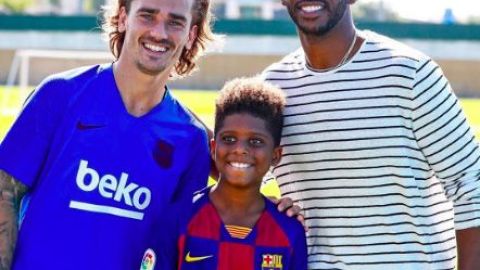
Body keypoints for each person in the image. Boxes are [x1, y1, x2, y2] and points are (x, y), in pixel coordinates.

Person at [262, 0, 480, 269]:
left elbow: (471, 186)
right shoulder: (273, 88)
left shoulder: (409, 73)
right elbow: (239, 174)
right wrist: (265, 209)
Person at [0, 0, 217, 269]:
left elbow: (177, 247)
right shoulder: (60, 94)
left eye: (175, 22)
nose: (159, 33)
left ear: (191, 35)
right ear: (124, 18)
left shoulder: (190, 140)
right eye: (147, 16)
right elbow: (4, 194)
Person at [175, 77, 307, 270]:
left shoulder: (289, 230)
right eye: (229, 138)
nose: (240, 149)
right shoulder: (180, 217)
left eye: (255, 141)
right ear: (213, 147)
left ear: (276, 155)